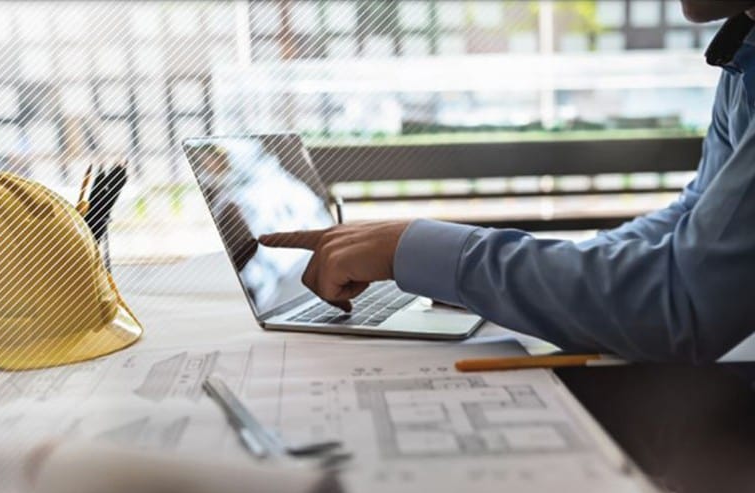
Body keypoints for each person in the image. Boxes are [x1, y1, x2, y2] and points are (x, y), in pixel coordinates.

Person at [260, 1, 755, 363]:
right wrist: (508, 281)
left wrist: (435, 255)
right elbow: (692, 217)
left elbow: (678, 303)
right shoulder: (743, 50)